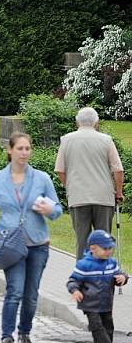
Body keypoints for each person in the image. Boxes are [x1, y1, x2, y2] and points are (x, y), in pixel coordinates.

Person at [0, 132, 63, 343]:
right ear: (10, 150)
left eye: (27, 148)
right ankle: (7, 337)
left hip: (38, 244)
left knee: (31, 295)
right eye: (20, 148)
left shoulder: (42, 179)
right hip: (11, 246)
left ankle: (25, 333)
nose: (24, 153)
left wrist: (50, 210)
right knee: (15, 291)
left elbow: (57, 211)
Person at [54, 107, 125, 258]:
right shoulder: (106, 140)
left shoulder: (66, 140)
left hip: (78, 197)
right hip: (104, 198)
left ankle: (83, 277)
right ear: (96, 122)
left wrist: (70, 186)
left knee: (82, 242)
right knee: (103, 241)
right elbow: (118, 170)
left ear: (77, 122)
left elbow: (60, 170)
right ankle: (103, 275)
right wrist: (118, 192)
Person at [67, 229, 129, 343]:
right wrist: (75, 290)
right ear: (93, 248)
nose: (109, 251)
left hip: (106, 303)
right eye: (105, 249)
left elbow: (119, 275)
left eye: (110, 248)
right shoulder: (84, 265)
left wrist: (123, 278)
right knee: (97, 327)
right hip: (91, 305)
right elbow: (73, 280)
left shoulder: (111, 263)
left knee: (109, 328)